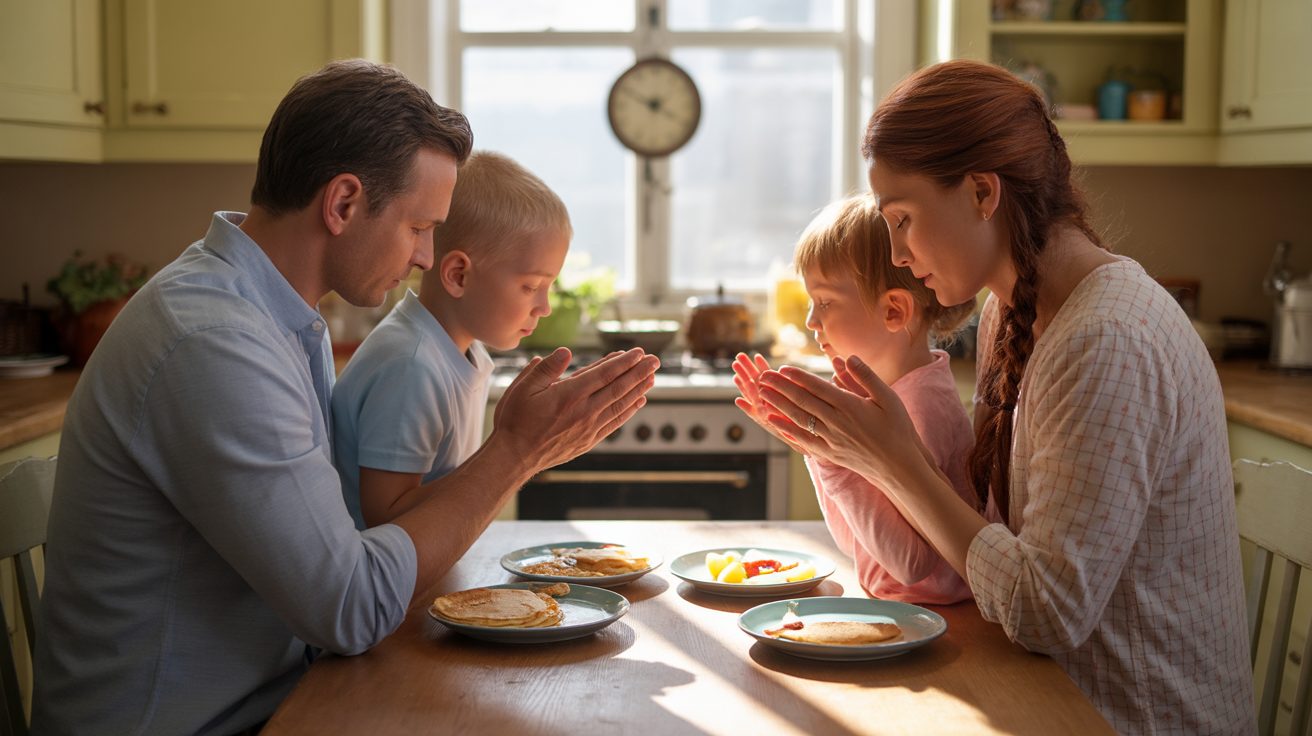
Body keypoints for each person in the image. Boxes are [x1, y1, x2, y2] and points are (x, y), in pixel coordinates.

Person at [31, 60, 658, 735]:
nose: (425, 257)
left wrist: (519, 450)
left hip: (283, 695)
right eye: (419, 227)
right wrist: (515, 451)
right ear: (343, 204)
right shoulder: (212, 342)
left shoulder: (274, 319)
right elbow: (351, 608)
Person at [755, 59, 1254, 734]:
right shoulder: (1009, 312)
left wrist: (895, 463)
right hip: (1038, 695)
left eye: (903, 218)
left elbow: (1044, 612)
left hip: (1124, 716)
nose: (898, 253)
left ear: (983, 194)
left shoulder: (1106, 340)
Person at [734, 194, 982, 604]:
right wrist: (812, 444)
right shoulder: (891, 395)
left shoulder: (922, 407)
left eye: (826, 302)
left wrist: (834, 461)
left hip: (943, 625)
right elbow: (859, 545)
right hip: (900, 610)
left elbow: (910, 566)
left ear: (894, 312)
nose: (812, 321)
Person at [332, 150, 575, 529]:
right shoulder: (412, 366)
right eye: (531, 286)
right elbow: (386, 517)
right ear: (459, 275)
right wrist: (513, 462)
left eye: (549, 287)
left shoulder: (464, 353)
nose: (543, 307)